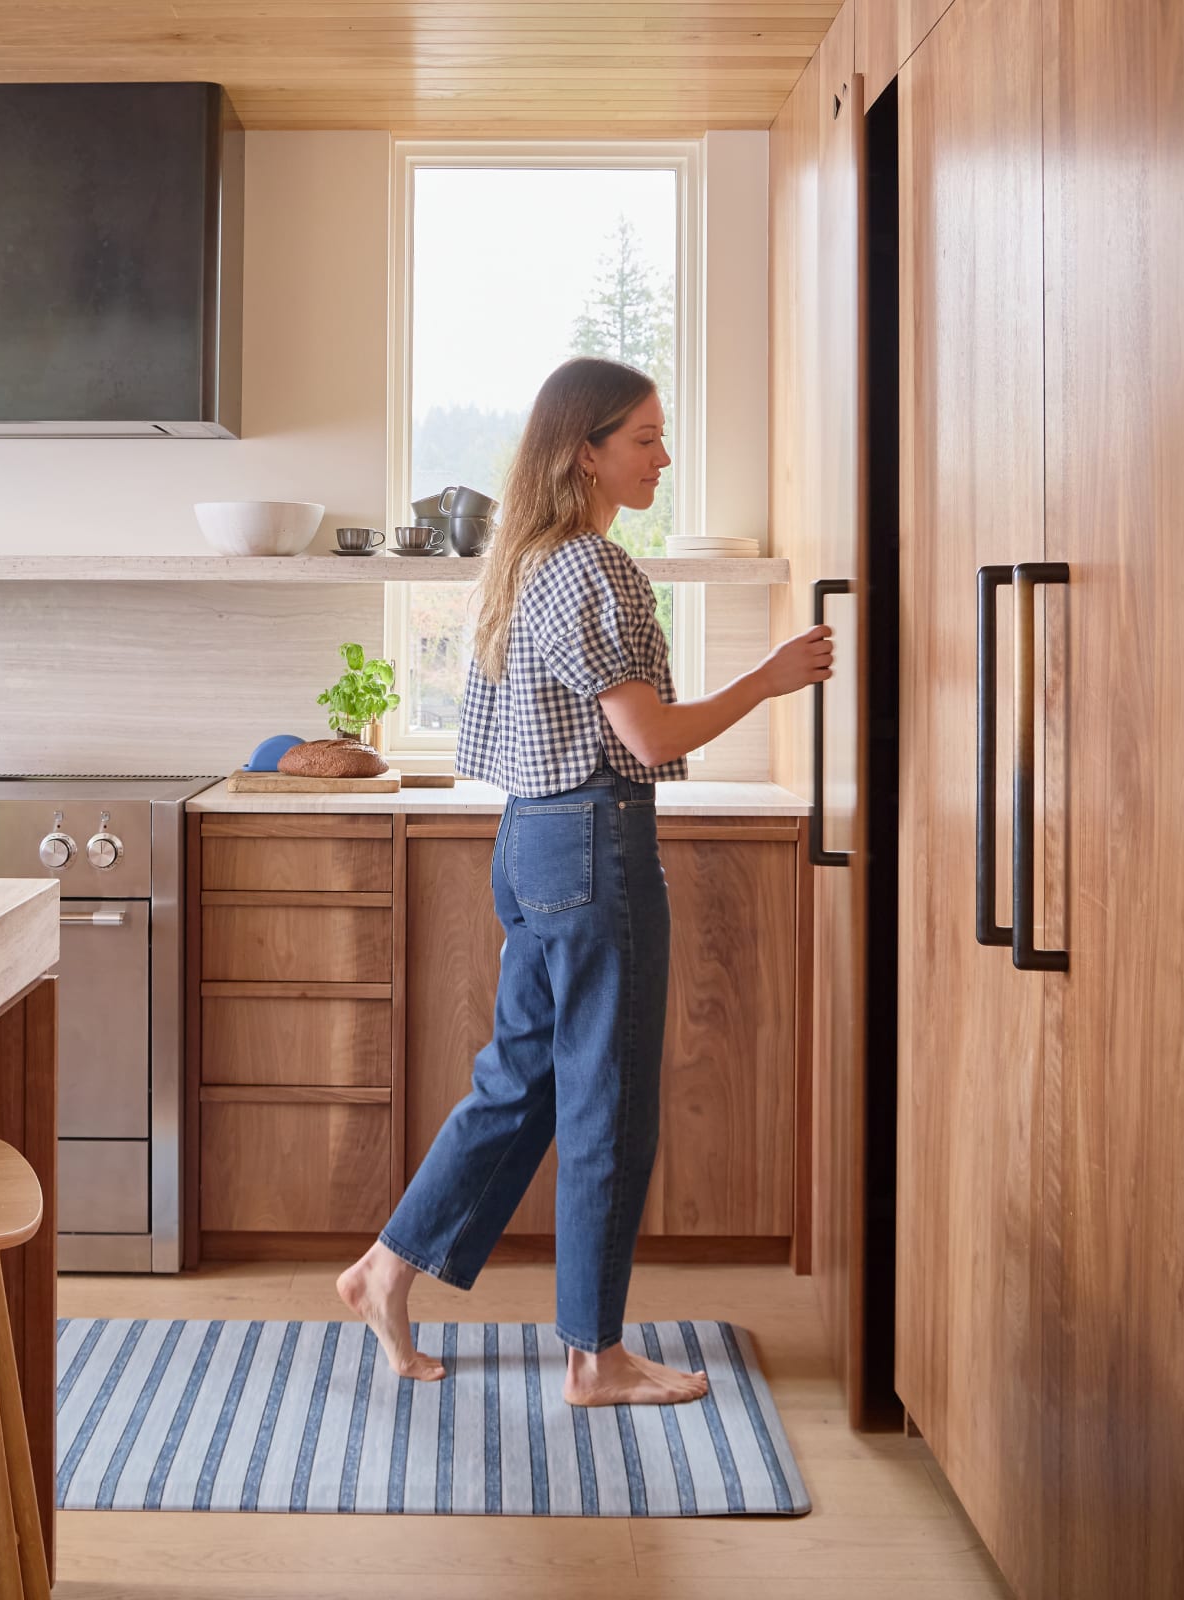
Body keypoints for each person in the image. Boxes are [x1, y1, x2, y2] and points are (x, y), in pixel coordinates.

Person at [337, 356, 833, 1407]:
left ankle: (385, 1269)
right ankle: (595, 1358)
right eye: (644, 438)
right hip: (594, 844)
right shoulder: (595, 572)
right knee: (607, 1101)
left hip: (528, 841)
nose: (663, 456)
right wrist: (770, 675)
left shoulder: (523, 565)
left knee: (518, 1084)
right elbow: (647, 736)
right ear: (585, 452)